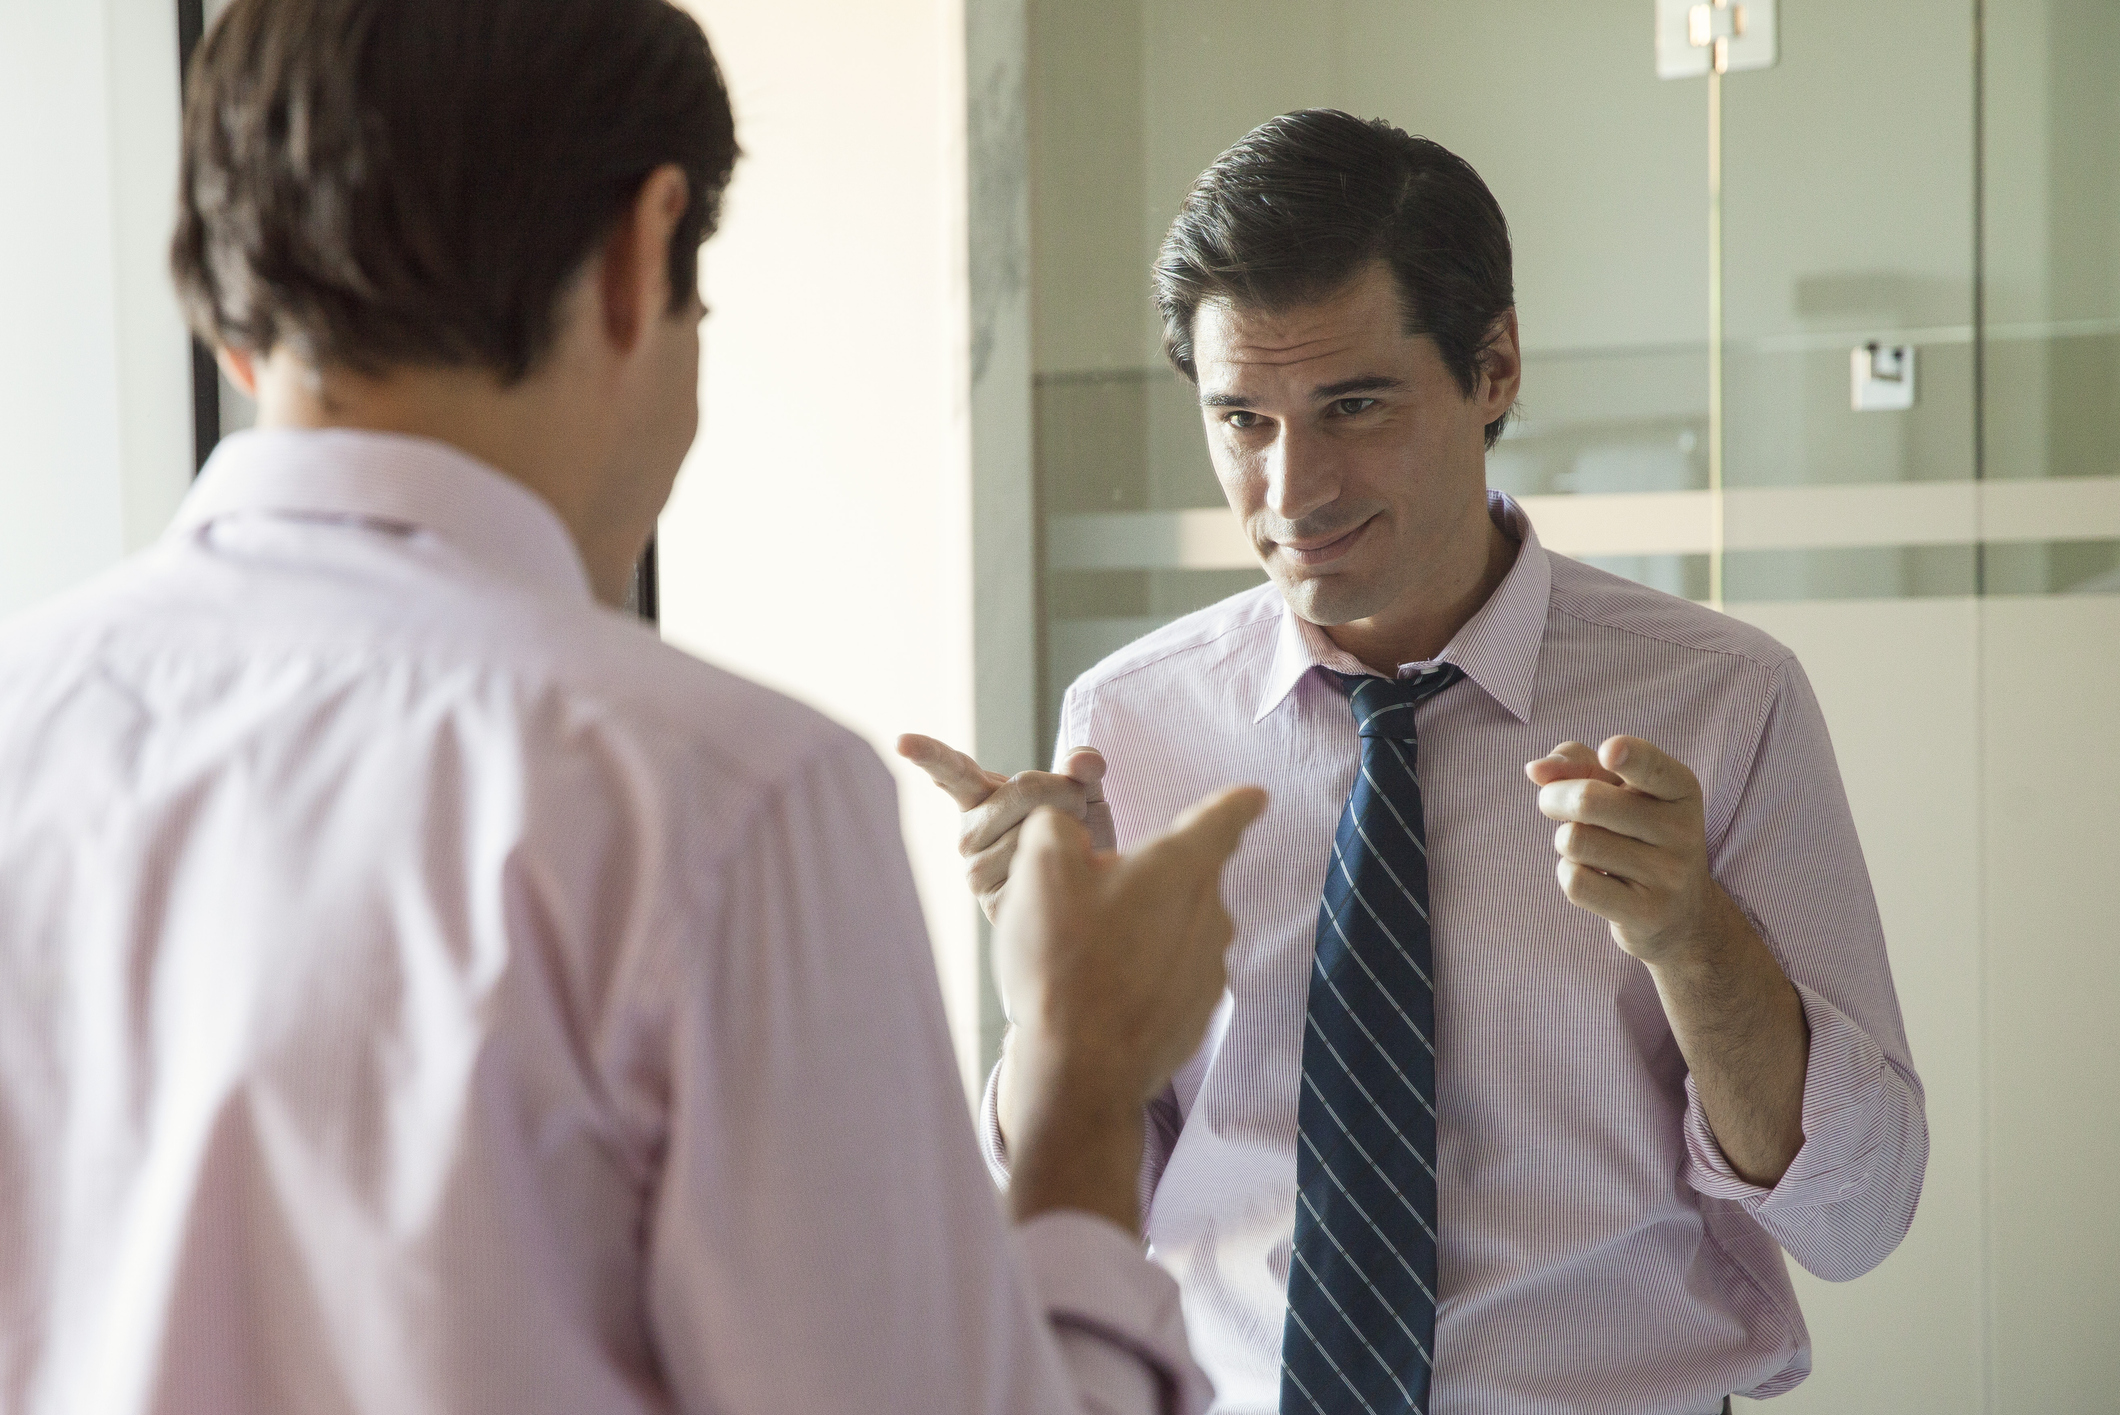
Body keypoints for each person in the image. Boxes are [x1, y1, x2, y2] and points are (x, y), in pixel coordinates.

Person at [0, 1, 1268, 1411]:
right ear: (639, 253)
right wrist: (1085, 1087)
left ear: (235, 316)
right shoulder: (722, 800)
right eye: (700, 311)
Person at [901, 110, 1928, 1415]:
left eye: (1354, 406)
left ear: (1493, 367)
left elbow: (1859, 1215)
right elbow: (1068, 1224)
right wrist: (1061, 994)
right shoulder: (1130, 721)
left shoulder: (1726, 701)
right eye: (1242, 419)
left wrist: (1692, 937)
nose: (1292, 490)